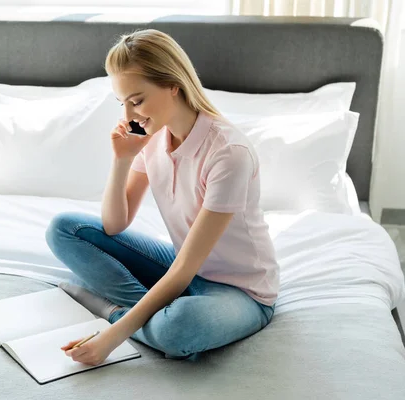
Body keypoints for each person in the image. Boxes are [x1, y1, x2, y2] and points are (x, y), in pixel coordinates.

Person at [45, 29, 279, 366]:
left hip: (240, 291)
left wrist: (113, 335)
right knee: (64, 229)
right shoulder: (153, 136)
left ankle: (111, 310)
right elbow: (114, 224)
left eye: (137, 100)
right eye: (122, 103)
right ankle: (149, 315)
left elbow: (184, 270)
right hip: (180, 265)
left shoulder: (229, 153)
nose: (128, 116)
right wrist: (122, 159)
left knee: (180, 328)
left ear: (173, 85)